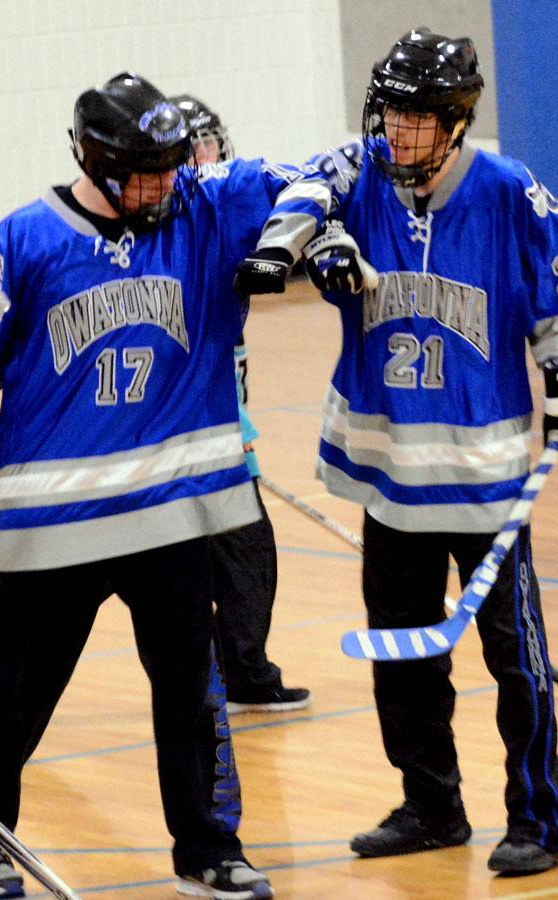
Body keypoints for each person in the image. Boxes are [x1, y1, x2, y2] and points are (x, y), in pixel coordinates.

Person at [0, 72, 332, 899]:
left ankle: (208, 847)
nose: (168, 184)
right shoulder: (20, 243)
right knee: (17, 687)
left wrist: (308, 235)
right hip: (57, 522)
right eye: (148, 171)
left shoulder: (200, 208)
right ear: (96, 160)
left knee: (191, 693)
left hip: (171, 512)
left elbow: (328, 169)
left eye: (173, 166)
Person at [295, 27, 558, 876]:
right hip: (390, 478)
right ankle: (431, 805)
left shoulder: (511, 191)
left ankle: (540, 818)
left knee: (516, 663)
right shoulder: (356, 175)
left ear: (455, 121)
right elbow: (292, 198)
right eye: (390, 114)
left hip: (484, 482)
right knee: (403, 656)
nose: (395, 133)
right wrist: (316, 243)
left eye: (416, 118)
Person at [170, 93, 311, 714]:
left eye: (209, 144)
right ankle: (244, 675)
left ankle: (236, 672)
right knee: (245, 554)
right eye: (194, 148)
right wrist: (234, 421)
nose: (209, 157)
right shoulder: (180, 240)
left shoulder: (220, 225)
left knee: (222, 559)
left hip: (215, 436)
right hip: (198, 438)